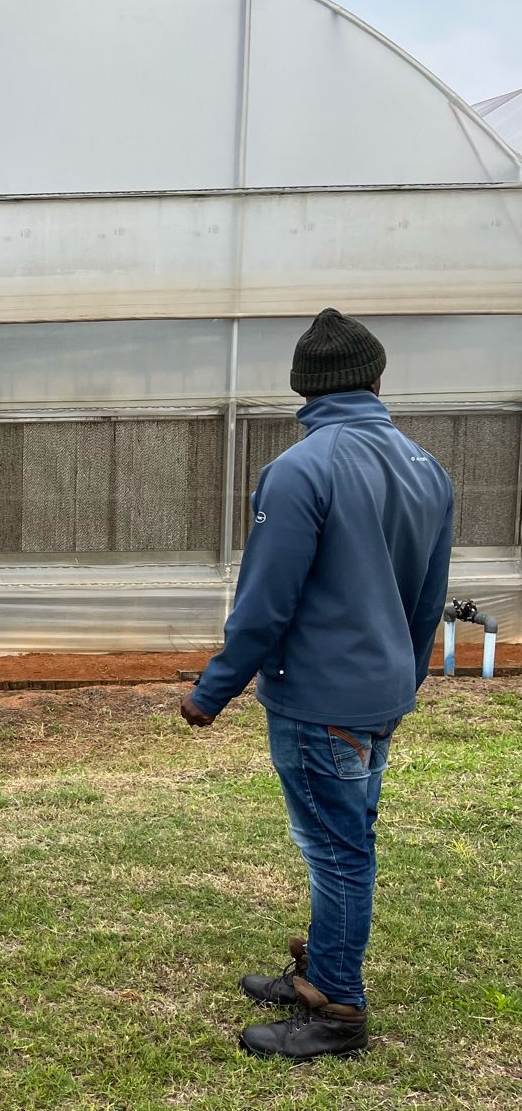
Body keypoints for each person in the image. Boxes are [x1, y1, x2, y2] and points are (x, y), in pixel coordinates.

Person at [179, 307, 454, 1061]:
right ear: (375, 377)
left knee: (336, 853)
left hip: (319, 702)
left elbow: (266, 601)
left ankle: (335, 1008)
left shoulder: (300, 470)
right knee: (347, 842)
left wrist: (212, 690)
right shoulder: (426, 467)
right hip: (379, 696)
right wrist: (404, 679)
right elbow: (427, 600)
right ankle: (322, 969)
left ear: (305, 387)